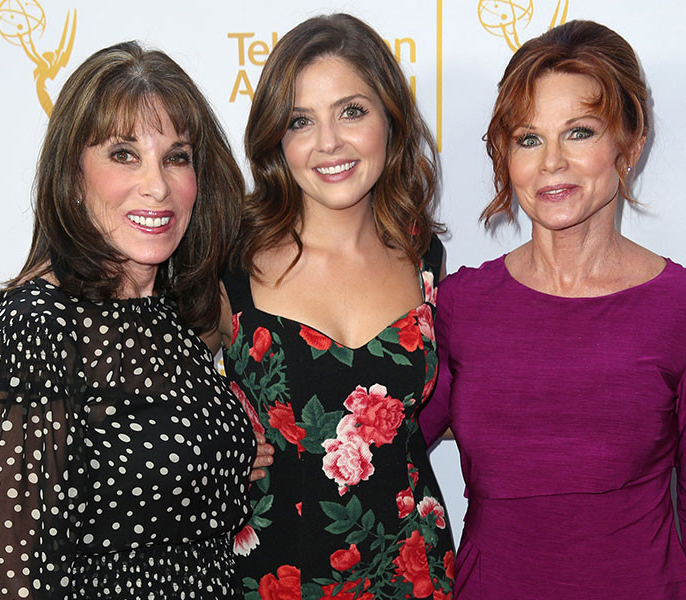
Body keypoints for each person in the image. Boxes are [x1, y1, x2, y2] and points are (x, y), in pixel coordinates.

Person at [418, 20, 686, 599]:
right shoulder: (462, 304)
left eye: (580, 132)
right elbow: (391, 446)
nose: (551, 163)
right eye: (528, 138)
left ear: (630, 142)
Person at [0, 41, 264, 600]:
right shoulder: (40, 326)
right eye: (124, 154)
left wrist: (227, 447)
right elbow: (13, 577)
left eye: (176, 156)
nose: (157, 185)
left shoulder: (173, 313)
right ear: (74, 175)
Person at [214, 13, 455, 600]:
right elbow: (157, 411)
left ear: (390, 119)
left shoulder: (424, 252)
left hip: (411, 570)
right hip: (271, 574)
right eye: (301, 121)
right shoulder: (226, 263)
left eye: (351, 111)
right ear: (277, 139)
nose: (328, 143)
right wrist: (220, 449)